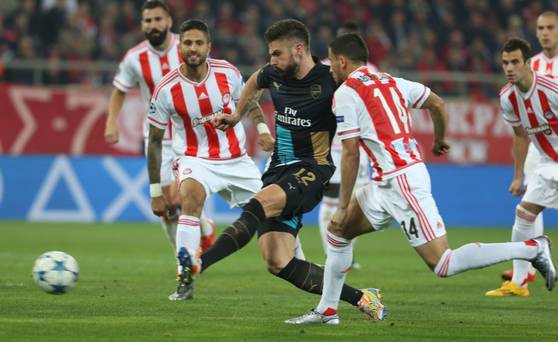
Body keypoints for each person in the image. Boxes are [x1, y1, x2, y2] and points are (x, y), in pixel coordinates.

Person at [286, 33, 556, 325]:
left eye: (332, 64)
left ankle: (531, 248)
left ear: (341, 61)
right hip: (384, 183)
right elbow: (437, 103)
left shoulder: (346, 93)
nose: (331, 71)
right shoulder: (392, 81)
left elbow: (350, 153)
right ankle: (328, 310)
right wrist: (440, 139)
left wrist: (342, 204)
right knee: (338, 233)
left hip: (402, 183)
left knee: (444, 263)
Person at [207, 19, 386, 321]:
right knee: (278, 261)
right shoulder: (273, 73)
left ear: (299, 50)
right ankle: (362, 297)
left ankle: (201, 262)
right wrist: (237, 115)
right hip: (277, 169)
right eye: (271, 54)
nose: (272, 60)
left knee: (258, 204)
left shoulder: (331, 80)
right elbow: (253, 82)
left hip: (312, 169)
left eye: (277, 53)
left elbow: (373, 99)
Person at [147, 19, 275, 301]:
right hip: (195, 159)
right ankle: (185, 279)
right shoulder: (166, 88)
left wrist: (263, 130)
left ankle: (298, 264)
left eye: (198, 43)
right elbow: (155, 141)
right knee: (189, 201)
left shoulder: (227, 72)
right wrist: (156, 191)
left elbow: (250, 102)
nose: (193, 48)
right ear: (179, 46)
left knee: (275, 213)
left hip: (237, 160)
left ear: (208, 47)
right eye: (187, 43)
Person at [104, 0, 216, 252]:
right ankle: (184, 257)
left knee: (180, 197)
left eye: (157, 19)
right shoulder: (135, 57)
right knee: (166, 207)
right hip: (157, 138)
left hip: (190, 134)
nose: (153, 25)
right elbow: (119, 90)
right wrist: (111, 121)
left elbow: (211, 78)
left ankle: (204, 226)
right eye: (148, 20)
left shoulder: (189, 46)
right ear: (142, 24)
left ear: (168, 21)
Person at [486, 37, 558, 297]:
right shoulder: (507, 97)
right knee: (524, 215)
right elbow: (520, 135)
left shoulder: (551, 89)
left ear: (528, 63)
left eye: (515, 62)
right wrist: (517, 176)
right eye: (505, 63)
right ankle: (519, 282)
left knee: (525, 215)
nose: (509, 68)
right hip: (548, 165)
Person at [319, 21, 375, 269]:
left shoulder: (371, 70)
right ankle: (333, 254)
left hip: (358, 148)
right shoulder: (323, 68)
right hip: (334, 145)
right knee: (332, 201)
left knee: (354, 202)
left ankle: (345, 256)